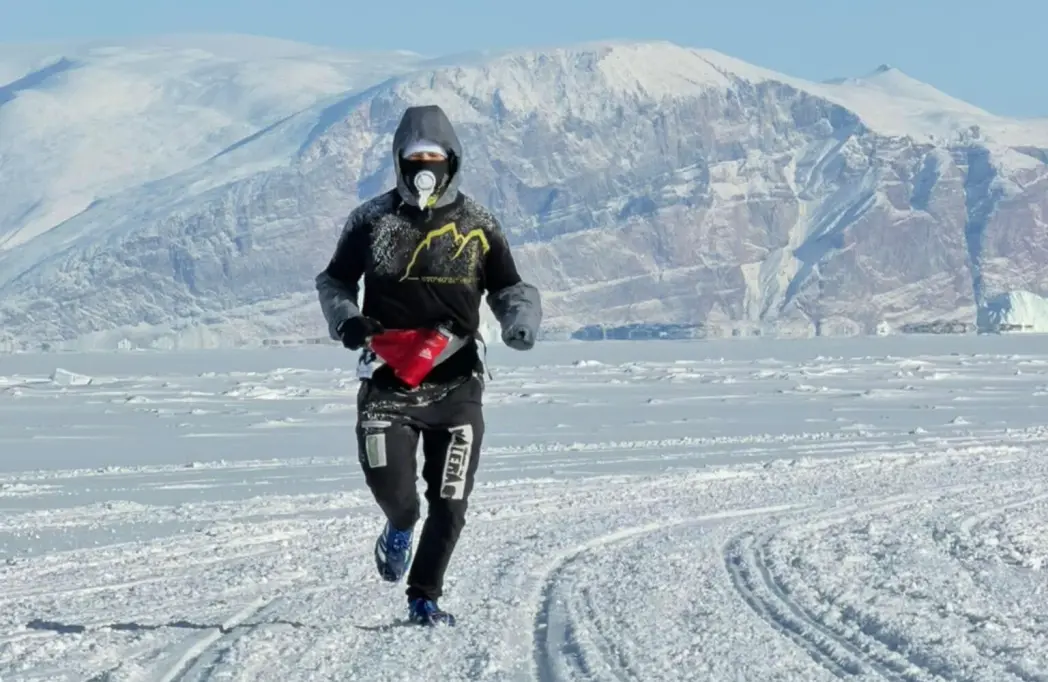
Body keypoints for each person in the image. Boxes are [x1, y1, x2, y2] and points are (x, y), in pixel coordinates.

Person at [315, 104, 542, 627]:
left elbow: (509, 287)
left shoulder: (478, 224)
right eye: (415, 158)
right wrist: (346, 320)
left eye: (434, 158)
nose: (425, 168)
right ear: (399, 160)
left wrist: (519, 321)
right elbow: (334, 281)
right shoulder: (371, 220)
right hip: (386, 384)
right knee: (399, 499)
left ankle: (424, 596)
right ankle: (398, 527)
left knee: (450, 502)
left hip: (457, 383)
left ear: (453, 161)